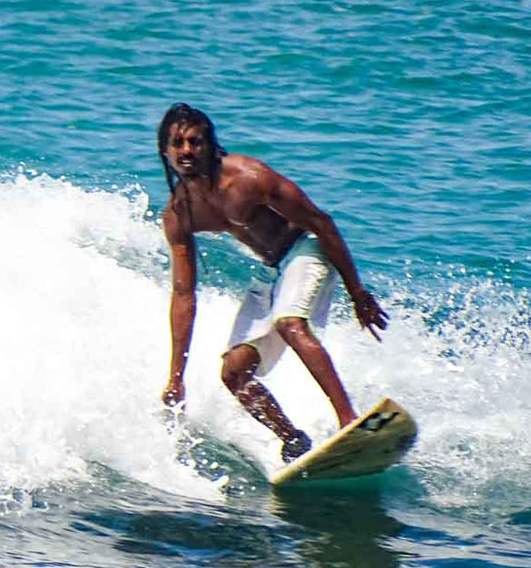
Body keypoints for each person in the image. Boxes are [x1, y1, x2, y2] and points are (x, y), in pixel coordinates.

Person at [156, 103, 389, 462]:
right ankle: (293, 440)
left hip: (306, 247)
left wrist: (356, 292)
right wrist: (176, 377)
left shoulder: (249, 177)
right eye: (177, 143)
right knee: (234, 372)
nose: (186, 151)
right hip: (272, 268)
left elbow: (321, 222)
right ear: (165, 151)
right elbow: (184, 294)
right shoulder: (179, 214)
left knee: (290, 322)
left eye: (195, 142)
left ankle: (349, 420)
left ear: (209, 144)